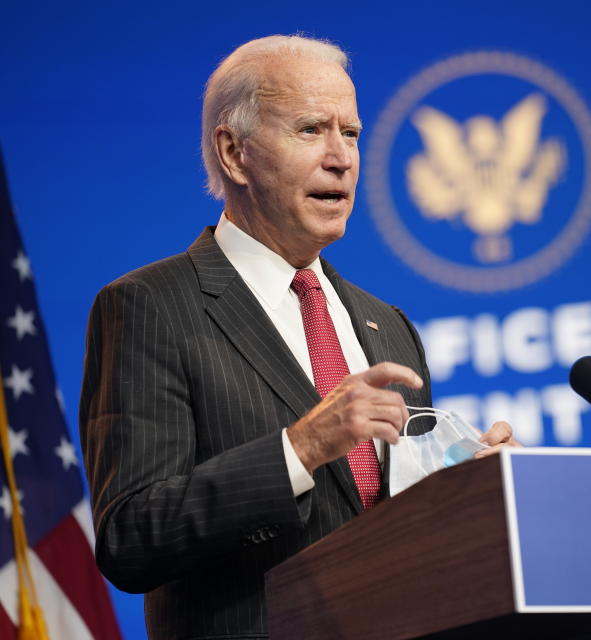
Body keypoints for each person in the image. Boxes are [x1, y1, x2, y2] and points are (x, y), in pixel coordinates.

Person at [79, 35, 516, 639]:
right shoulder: (151, 306)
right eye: (312, 129)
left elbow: (405, 534)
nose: (342, 158)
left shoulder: (386, 324)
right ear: (234, 153)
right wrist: (301, 449)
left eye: (353, 133)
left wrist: (472, 493)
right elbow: (132, 537)